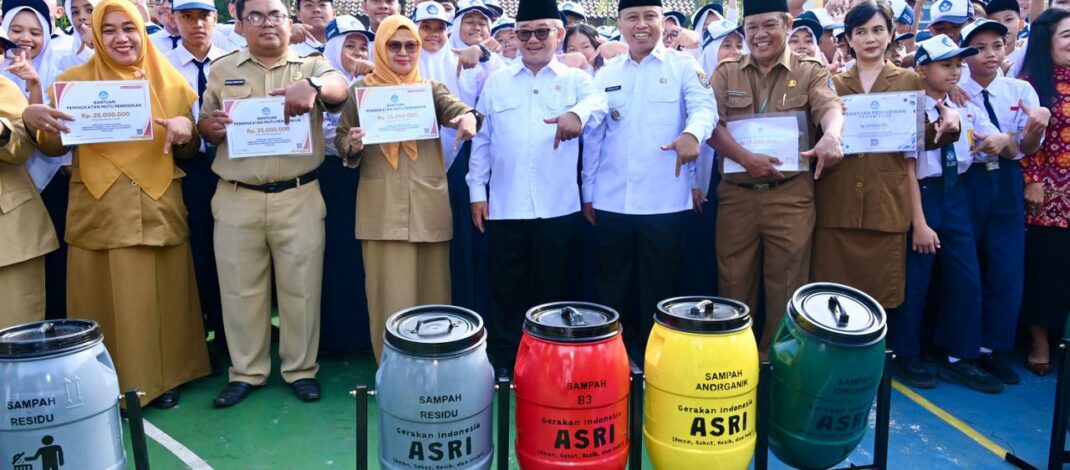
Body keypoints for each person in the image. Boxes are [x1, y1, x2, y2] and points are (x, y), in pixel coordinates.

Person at [22, 0, 210, 407]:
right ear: (94, 34)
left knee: (164, 296)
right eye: (108, 29)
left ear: (142, 30)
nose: (121, 38)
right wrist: (34, 120)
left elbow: (187, 147)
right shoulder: (72, 82)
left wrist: (186, 130)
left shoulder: (169, 80)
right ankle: (105, 384)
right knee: (104, 300)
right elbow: (54, 146)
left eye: (128, 27)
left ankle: (166, 377)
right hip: (101, 207)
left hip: (155, 204)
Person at [197, 0, 349, 407]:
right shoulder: (222, 68)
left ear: (289, 21)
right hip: (237, 195)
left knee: (301, 289)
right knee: (239, 290)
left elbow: (340, 88)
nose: (267, 23)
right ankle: (246, 371)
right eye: (256, 16)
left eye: (276, 15)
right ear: (239, 23)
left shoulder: (311, 64)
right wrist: (210, 128)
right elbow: (206, 122)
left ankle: (301, 369)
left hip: (297, 195)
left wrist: (313, 87)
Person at [468, 0, 606, 372]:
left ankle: (551, 363)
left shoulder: (575, 80)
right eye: (525, 33)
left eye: (542, 32)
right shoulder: (497, 81)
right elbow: (482, 140)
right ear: (515, 36)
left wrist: (576, 113)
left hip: (557, 205)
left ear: (559, 34)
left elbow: (600, 101)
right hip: (506, 203)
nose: (532, 40)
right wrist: (477, 192)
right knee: (506, 289)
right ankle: (505, 362)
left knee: (554, 291)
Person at [334, 14, 480, 362]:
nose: (403, 53)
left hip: (427, 207)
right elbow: (341, 138)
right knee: (387, 297)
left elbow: (458, 109)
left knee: (433, 296)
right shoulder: (360, 92)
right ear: (380, 48)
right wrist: (352, 143)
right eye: (394, 46)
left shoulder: (430, 89)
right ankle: (393, 370)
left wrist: (468, 117)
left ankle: (435, 368)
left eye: (410, 46)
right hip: (381, 209)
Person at [582, 0, 716, 359]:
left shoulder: (683, 66)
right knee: (613, 290)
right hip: (613, 201)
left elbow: (705, 109)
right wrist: (588, 191)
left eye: (649, 17)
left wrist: (692, 134)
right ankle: (613, 363)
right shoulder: (607, 74)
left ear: (662, 21)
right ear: (620, 24)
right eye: (632, 18)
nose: (641, 25)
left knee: (662, 292)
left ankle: (658, 364)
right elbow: (594, 137)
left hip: (665, 202)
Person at [709, 0, 844, 356]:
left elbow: (829, 106)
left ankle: (776, 365)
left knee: (787, 285)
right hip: (737, 196)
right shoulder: (726, 73)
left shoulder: (809, 69)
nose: (760, 35)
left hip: (790, 196)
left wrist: (832, 135)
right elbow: (710, 124)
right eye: (751, 27)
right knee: (733, 283)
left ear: (787, 24)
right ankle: (734, 362)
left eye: (769, 25)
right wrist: (745, 159)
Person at [816, 1, 955, 319]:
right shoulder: (832, 85)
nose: (870, 38)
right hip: (837, 205)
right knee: (832, 302)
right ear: (848, 39)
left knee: (878, 306)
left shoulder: (908, 82)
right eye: (861, 31)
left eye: (878, 30)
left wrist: (949, 127)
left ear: (891, 33)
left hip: (887, 206)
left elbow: (918, 139)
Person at [893, 34, 1010, 393]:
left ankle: (961, 356)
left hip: (956, 193)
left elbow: (995, 139)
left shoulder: (964, 105)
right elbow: (907, 168)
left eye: (958, 65)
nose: (955, 72)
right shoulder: (909, 110)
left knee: (966, 277)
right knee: (916, 281)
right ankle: (906, 354)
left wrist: (999, 140)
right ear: (921, 69)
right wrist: (919, 222)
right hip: (924, 195)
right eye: (946, 65)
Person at [959, 18, 1050, 385]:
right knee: (966, 268)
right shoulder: (954, 89)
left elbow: (1028, 147)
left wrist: (1031, 132)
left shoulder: (1020, 91)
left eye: (997, 45)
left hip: (1007, 180)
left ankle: (991, 348)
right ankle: (961, 348)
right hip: (967, 180)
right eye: (979, 48)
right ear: (964, 55)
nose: (990, 54)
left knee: (1006, 266)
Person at [164, 0, 229, 371]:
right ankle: (202, 335)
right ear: (173, 20)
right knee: (199, 251)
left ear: (215, 18)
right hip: (188, 168)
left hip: (232, 165)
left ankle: (229, 333)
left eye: (204, 16)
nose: (196, 24)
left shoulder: (233, 62)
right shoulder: (162, 66)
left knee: (231, 253)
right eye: (187, 16)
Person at [1019, 7, 1070, 376]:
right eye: (1067, 36)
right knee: (1047, 269)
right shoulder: (1031, 83)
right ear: (1045, 41)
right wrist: (1032, 179)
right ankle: (1039, 341)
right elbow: (1022, 137)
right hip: (1049, 194)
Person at [319, 14, 374, 353]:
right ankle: (334, 337)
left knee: (360, 256)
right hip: (330, 176)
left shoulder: (374, 82)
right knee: (333, 255)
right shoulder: (319, 81)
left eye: (362, 46)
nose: (357, 53)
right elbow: (325, 134)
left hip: (362, 174)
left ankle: (363, 334)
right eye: (349, 45)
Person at [0, 64, 58, 330]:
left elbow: (22, 147)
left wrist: (2, 131)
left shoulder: (3, 87)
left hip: (8, 240)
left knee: (14, 339)